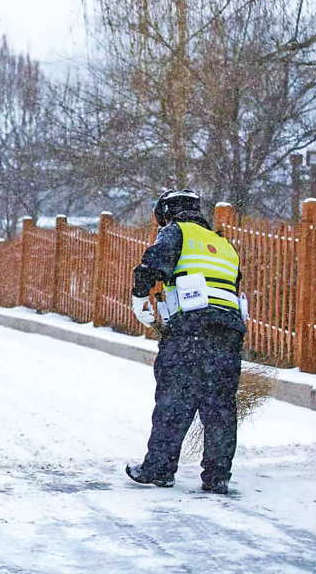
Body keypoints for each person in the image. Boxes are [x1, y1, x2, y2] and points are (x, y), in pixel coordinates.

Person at [126, 189, 247, 495]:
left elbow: (153, 263)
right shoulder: (224, 245)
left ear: (166, 214)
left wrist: (140, 294)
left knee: (175, 400)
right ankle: (218, 476)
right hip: (229, 330)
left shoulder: (175, 232)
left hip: (192, 329)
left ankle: (159, 469)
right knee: (219, 406)